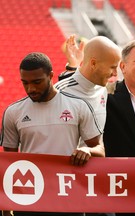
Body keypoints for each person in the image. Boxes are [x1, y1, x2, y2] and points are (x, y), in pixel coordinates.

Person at [60, 38, 135, 216]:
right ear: (122, 67)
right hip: (117, 192)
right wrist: (73, 66)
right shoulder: (106, 94)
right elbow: (79, 91)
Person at [0, 52, 105, 216]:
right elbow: (8, 165)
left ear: (50, 76)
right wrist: (7, 210)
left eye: (37, 82)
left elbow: (100, 150)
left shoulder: (78, 106)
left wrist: (87, 150)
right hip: (31, 197)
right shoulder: (13, 112)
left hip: (69, 195)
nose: (31, 88)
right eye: (25, 83)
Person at [55, 35, 121, 216]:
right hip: (69, 186)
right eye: (113, 67)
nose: (115, 74)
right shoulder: (60, 92)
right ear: (93, 63)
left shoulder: (102, 89)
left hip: (99, 183)